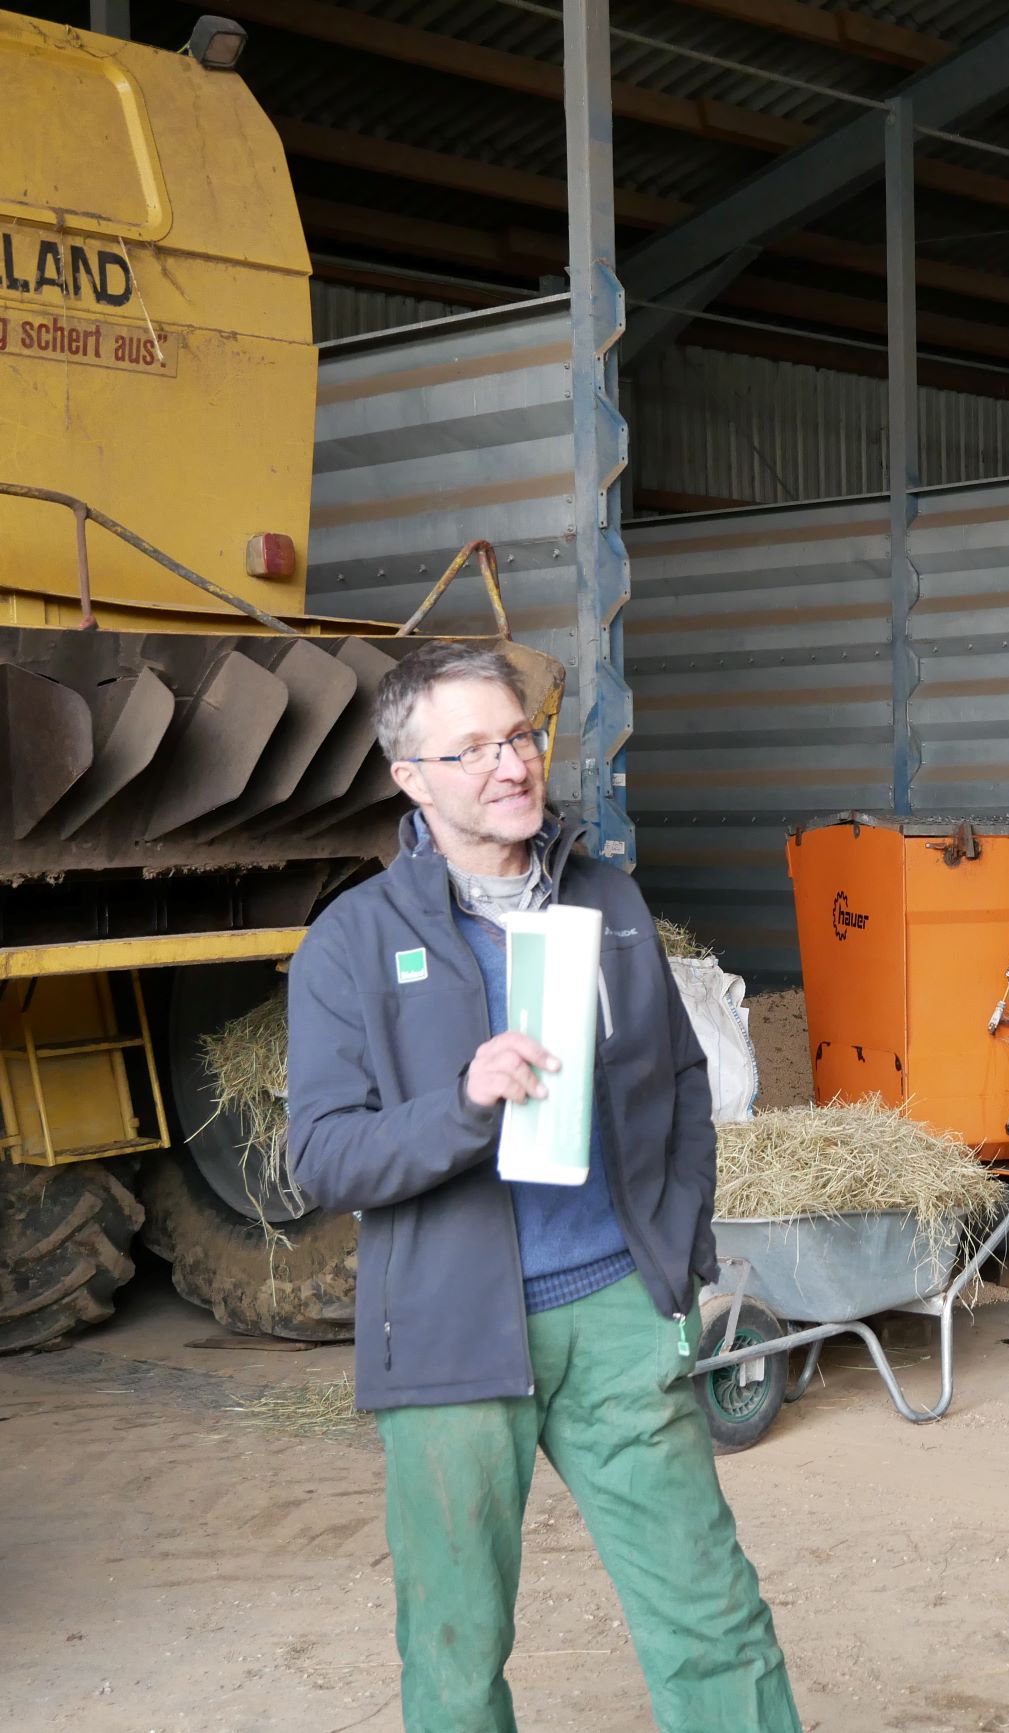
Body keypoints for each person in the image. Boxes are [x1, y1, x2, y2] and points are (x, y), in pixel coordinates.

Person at [285, 639, 801, 1733]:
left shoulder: (605, 898)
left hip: (613, 1308)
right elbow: (324, 1156)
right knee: (457, 1648)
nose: (510, 765)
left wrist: (676, 1259)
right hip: (448, 1334)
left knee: (712, 1611)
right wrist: (465, 1104)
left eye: (518, 735)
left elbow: (678, 1077)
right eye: (469, 747)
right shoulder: (355, 941)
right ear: (410, 778)